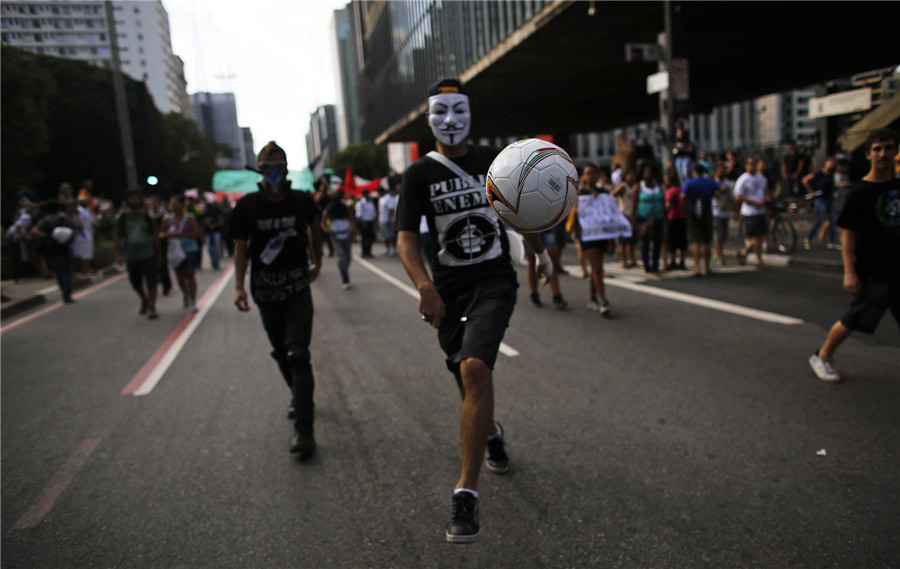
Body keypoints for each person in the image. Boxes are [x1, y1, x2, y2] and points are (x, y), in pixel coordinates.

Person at [396, 78, 552, 543]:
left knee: (475, 369)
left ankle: (465, 495)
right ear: (429, 118)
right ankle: (492, 433)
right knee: (467, 380)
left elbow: (520, 210)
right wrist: (424, 286)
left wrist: (540, 253)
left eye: (458, 109)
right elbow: (405, 239)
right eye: (440, 111)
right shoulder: (418, 174)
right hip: (447, 291)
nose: (450, 120)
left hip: (495, 280)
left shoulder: (495, 161)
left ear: (470, 112)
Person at [230, 141, 323, 456]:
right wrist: (239, 286)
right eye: (267, 167)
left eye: (278, 167)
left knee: (298, 353)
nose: (273, 173)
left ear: (285, 168)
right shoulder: (247, 206)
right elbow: (240, 246)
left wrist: (318, 261)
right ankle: (298, 395)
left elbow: (315, 228)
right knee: (281, 352)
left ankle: (304, 429)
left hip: (297, 289)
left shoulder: (301, 200)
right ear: (259, 170)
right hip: (265, 292)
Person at [808, 129, 899, 383]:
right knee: (855, 319)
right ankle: (822, 355)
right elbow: (847, 234)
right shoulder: (860, 192)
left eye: (888, 148)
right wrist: (849, 272)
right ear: (868, 154)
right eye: (877, 149)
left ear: (895, 151)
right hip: (873, 269)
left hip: (898, 267)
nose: (883, 154)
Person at [114, 189, 161, 318]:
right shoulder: (122, 218)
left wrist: (159, 254)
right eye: (131, 198)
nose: (134, 200)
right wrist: (118, 255)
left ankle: (151, 306)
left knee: (152, 281)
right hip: (131, 255)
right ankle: (145, 300)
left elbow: (155, 236)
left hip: (148, 253)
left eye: (136, 198)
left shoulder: (147, 217)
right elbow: (117, 237)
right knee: (136, 282)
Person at [574, 163, 614, 315]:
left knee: (596, 267)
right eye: (588, 173)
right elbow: (574, 212)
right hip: (587, 235)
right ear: (583, 176)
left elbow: (610, 214)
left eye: (593, 173)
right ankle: (603, 300)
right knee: (597, 268)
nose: (591, 176)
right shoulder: (579, 193)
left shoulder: (603, 192)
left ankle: (592, 298)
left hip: (601, 234)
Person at [161, 194, 202, 312]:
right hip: (175, 251)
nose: (174, 207)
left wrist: (182, 234)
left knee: (190, 274)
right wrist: (168, 235)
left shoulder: (190, 218)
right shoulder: (167, 219)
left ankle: (193, 300)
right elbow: (160, 234)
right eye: (172, 205)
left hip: (190, 249)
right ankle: (186, 293)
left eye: (176, 204)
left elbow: (196, 233)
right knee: (180, 277)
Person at [32, 200, 77, 304]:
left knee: (59, 271)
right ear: (57, 209)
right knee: (68, 271)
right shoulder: (64, 218)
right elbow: (73, 230)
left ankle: (64, 291)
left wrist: (46, 235)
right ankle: (67, 294)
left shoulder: (45, 220)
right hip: (65, 248)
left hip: (53, 249)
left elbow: (35, 230)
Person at [681, 164, 718, 276]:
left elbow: (682, 196)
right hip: (707, 213)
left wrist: (685, 208)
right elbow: (721, 188)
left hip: (693, 214)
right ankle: (706, 267)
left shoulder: (689, 183)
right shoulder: (709, 182)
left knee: (695, 241)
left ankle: (697, 267)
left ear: (694, 172)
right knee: (707, 241)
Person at [735, 157, 769, 268]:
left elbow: (764, 190)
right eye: (750, 164)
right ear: (746, 165)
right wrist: (754, 202)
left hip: (761, 211)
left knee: (759, 236)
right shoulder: (743, 179)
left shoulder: (761, 177)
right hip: (750, 212)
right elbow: (738, 197)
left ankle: (743, 253)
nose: (752, 166)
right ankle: (759, 260)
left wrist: (766, 198)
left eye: (754, 164)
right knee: (757, 236)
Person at [632, 165, 665, 276]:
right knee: (645, 243)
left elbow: (663, 203)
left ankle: (655, 266)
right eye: (646, 172)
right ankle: (647, 266)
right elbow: (634, 206)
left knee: (657, 243)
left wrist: (666, 219)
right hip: (643, 218)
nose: (648, 174)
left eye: (650, 172)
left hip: (658, 218)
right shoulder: (638, 188)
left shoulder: (658, 187)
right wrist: (633, 222)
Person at [802, 156, 838, 250]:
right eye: (830, 162)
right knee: (818, 221)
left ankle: (832, 241)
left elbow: (831, 186)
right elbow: (805, 180)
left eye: (833, 163)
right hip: (821, 199)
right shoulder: (819, 173)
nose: (832, 164)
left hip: (830, 198)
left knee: (832, 220)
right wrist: (812, 192)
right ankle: (808, 238)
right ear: (825, 163)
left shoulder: (831, 174)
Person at [322, 188, 354, 289]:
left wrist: (352, 231)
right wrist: (329, 229)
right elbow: (325, 220)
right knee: (342, 256)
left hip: (346, 235)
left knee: (348, 258)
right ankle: (345, 279)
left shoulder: (345, 206)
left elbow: (351, 218)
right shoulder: (330, 207)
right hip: (336, 236)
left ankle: (344, 270)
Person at [611, 169, 639, 268]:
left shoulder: (636, 187)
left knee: (632, 240)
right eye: (630, 175)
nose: (632, 177)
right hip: (623, 215)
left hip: (633, 215)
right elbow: (612, 195)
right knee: (623, 240)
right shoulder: (623, 186)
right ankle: (624, 261)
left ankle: (632, 259)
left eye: (633, 175)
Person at [663, 173, 687, 271]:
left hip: (673, 217)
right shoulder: (682, 189)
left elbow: (668, 205)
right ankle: (682, 261)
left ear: (670, 181)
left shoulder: (670, 191)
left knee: (672, 240)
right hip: (683, 217)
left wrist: (665, 216)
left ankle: (672, 261)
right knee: (682, 240)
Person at [711, 165, 735, 265]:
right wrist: (720, 190)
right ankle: (719, 254)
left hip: (725, 212)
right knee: (719, 235)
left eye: (722, 171)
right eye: (719, 171)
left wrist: (735, 211)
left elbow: (732, 198)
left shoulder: (728, 184)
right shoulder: (712, 183)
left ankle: (718, 252)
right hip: (716, 212)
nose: (721, 173)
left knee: (724, 235)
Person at [73, 193, 95, 274]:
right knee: (83, 253)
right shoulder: (79, 210)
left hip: (88, 233)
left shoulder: (87, 210)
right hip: (83, 234)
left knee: (88, 252)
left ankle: (88, 267)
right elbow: (78, 222)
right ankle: (84, 269)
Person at [202, 199, 226, 269]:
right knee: (209, 248)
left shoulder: (216, 214)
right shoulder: (204, 215)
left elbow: (221, 222)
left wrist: (214, 226)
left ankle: (217, 262)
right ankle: (213, 260)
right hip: (208, 233)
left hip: (216, 232)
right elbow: (202, 224)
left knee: (216, 248)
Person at [355, 190, 378, 258]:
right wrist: (363, 223)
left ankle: (369, 252)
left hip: (370, 221)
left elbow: (373, 213)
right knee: (364, 238)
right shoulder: (361, 203)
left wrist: (375, 221)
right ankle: (364, 252)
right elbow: (359, 214)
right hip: (364, 222)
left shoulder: (371, 202)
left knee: (370, 238)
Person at [379, 184, 399, 256]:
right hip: (382, 219)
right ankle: (387, 248)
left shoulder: (389, 198)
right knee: (385, 236)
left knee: (391, 236)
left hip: (388, 220)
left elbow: (391, 209)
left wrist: (388, 219)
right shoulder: (381, 199)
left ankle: (393, 249)